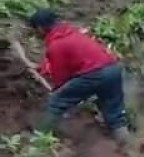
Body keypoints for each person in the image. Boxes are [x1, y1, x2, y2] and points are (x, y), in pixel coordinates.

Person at [22, 9, 131, 148]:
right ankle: (128, 148)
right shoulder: (72, 33)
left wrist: (59, 92)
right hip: (112, 69)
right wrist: (41, 68)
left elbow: (61, 79)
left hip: (94, 74)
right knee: (115, 113)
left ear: (40, 28)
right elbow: (70, 58)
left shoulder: (55, 45)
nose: (36, 34)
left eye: (35, 30)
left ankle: (38, 142)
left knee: (56, 101)